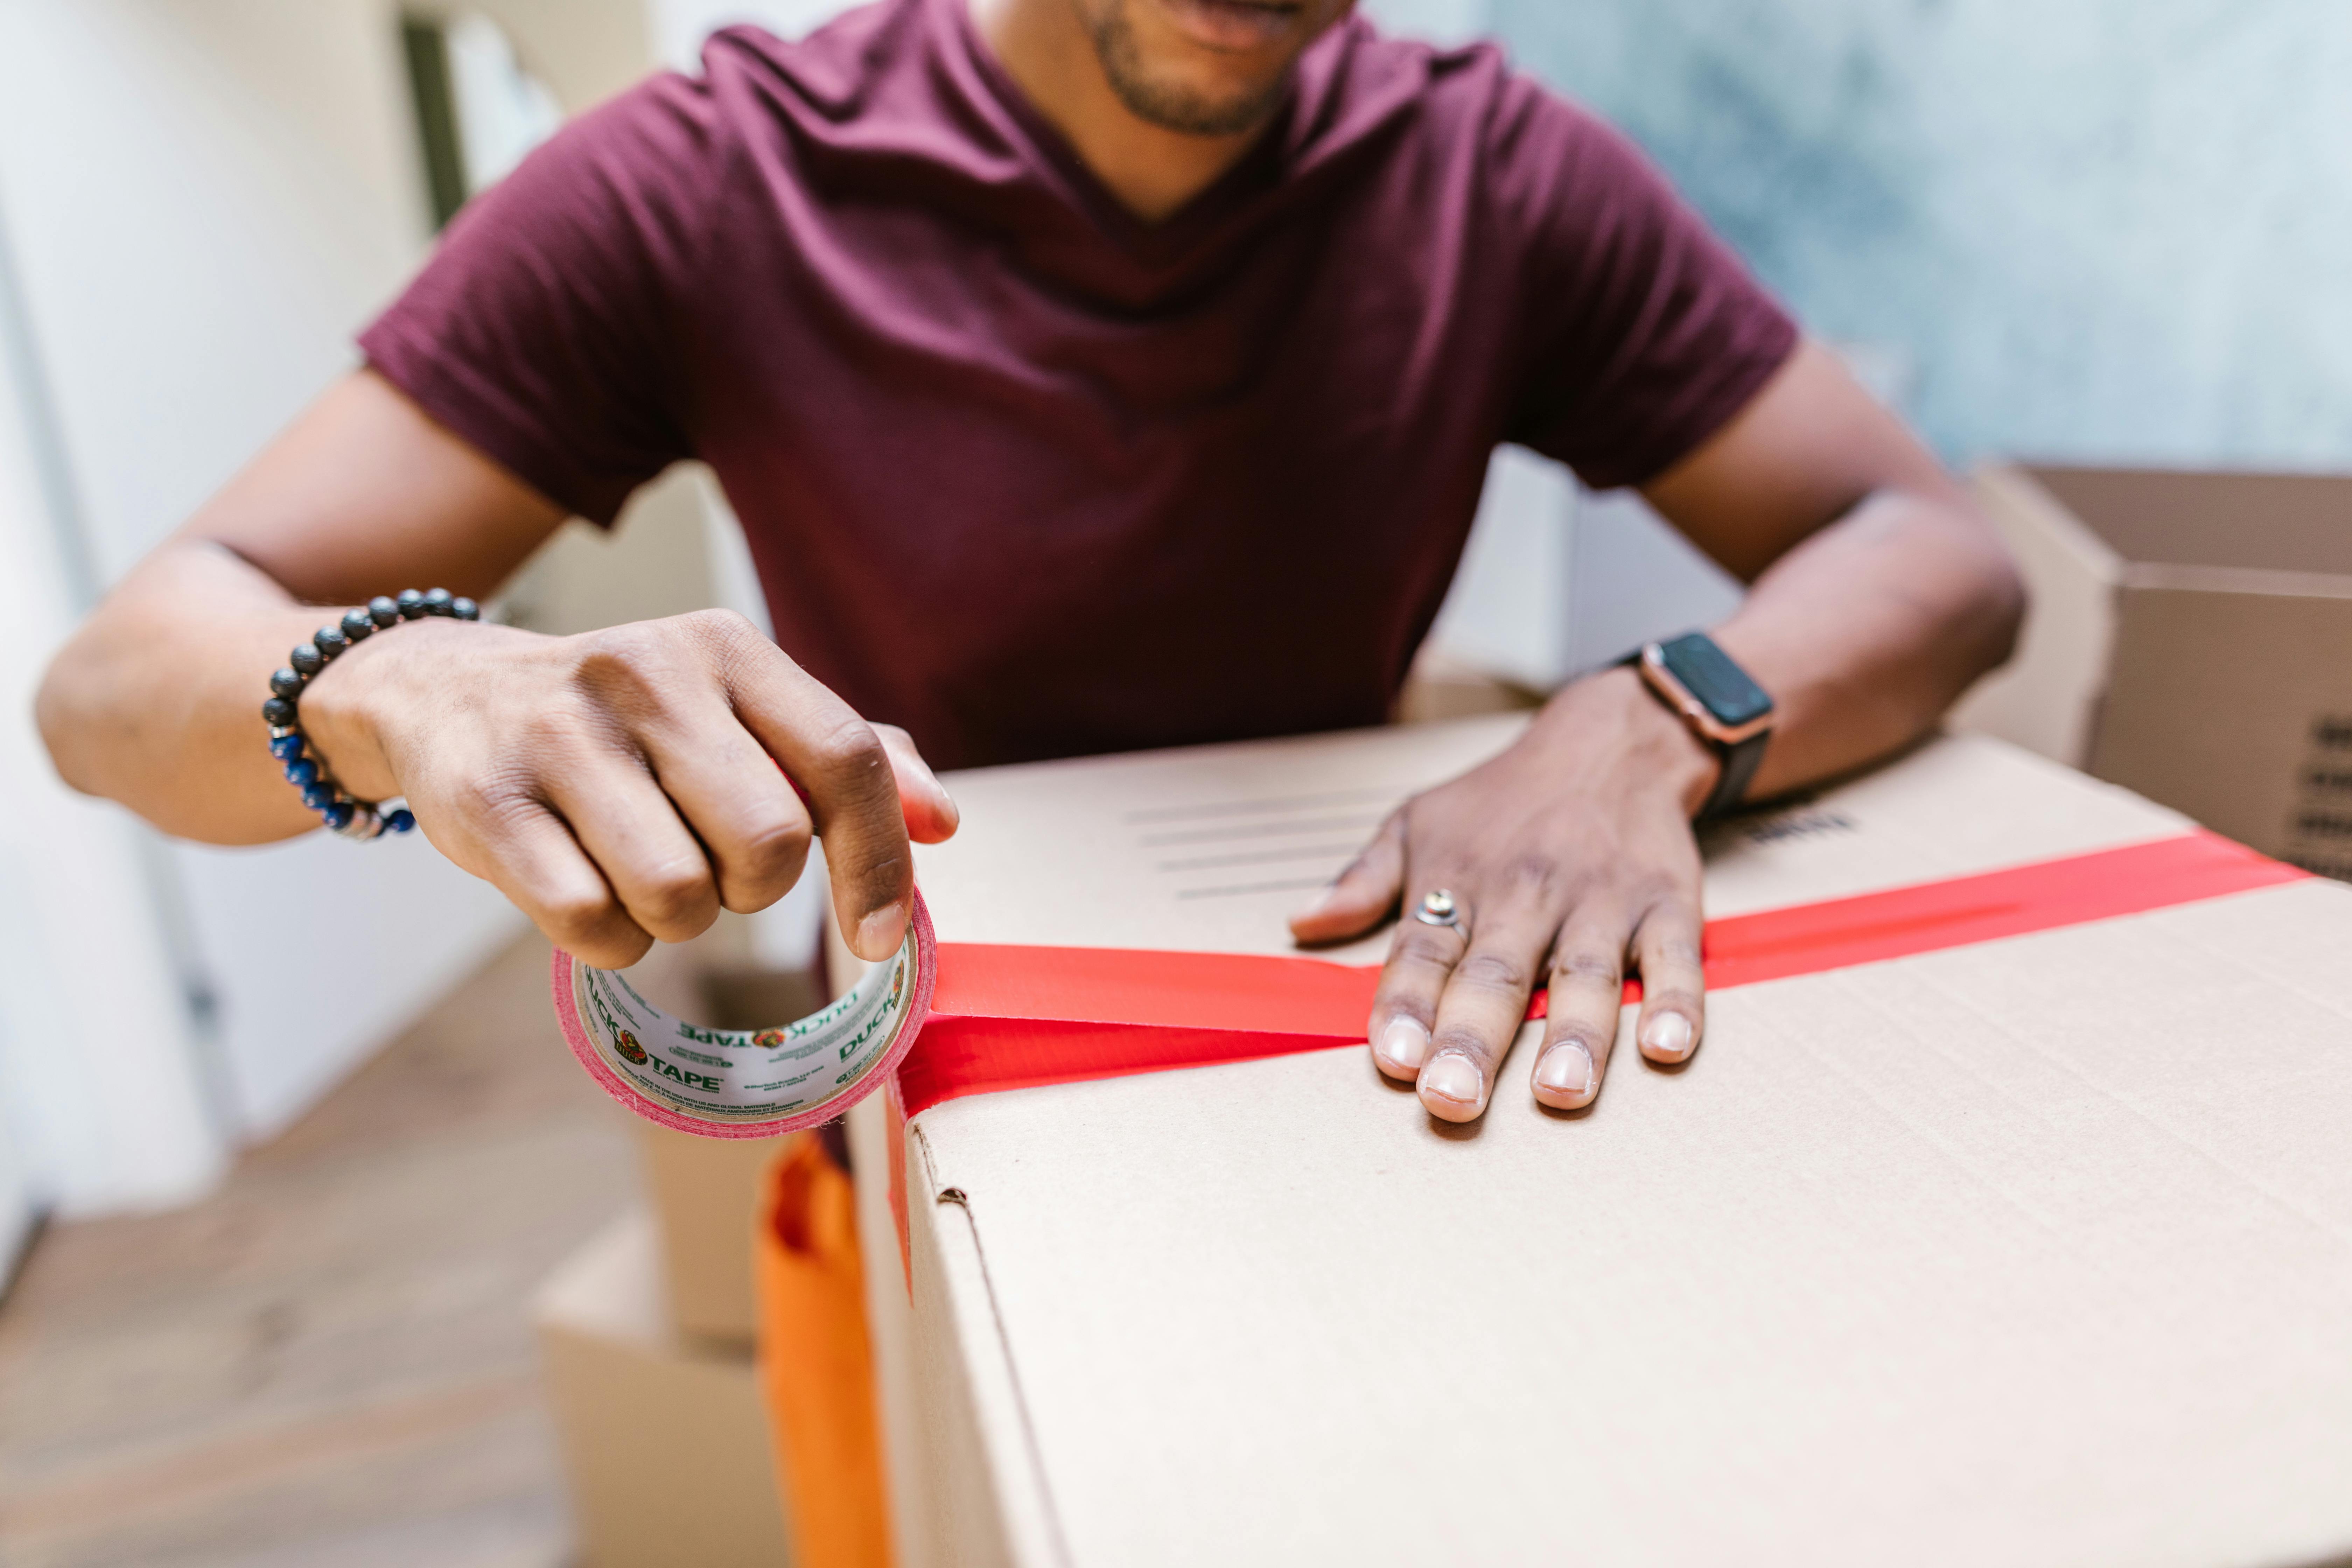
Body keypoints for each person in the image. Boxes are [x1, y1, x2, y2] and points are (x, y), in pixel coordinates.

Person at [35, 0, 2022, 1127]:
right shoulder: (717, 175)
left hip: (1356, 1035)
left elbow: (1938, 548)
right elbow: (113, 690)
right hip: (930, 1073)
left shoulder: (1486, 171)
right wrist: (408, 682)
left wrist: (1654, 716)